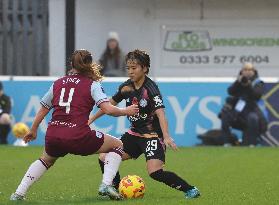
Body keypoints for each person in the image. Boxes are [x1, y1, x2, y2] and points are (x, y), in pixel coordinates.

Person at [10, 49, 139, 201]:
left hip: (54, 134)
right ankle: (106, 184)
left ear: (71, 64)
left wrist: (33, 129)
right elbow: (107, 109)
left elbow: (44, 108)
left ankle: (18, 193)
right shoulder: (92, 85)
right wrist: (126, 111)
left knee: (45, 160)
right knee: (118, 145)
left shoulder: (58, 83)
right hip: (78, 135)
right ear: (90, 64)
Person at [89, 49, 200, 199]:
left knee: (155, 172)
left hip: (152, 136)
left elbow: (161, 113)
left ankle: (191, 190)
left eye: (134, 68)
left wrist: (166, 136)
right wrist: (91, 119)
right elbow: (107, 106)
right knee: (104, 157)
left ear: (145, 68)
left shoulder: (151, 88)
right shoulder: (126, 87)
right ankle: (114, 190)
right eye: (128, 68)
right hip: (134, 134)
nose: (130, 71)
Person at [219, 62, 267, 146]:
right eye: (245, 70)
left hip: (254, 110)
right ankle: (227, 143)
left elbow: (256, 96)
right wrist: (238, 82)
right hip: (239, 111)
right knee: (225, 116)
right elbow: (230, 92)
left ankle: (252, 143)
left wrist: (248, 85)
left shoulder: (259, 82)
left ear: (254, 71)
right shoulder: (239, 81)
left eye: (249, 70)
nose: (247, 72)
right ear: (242, 71)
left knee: (253, 118)